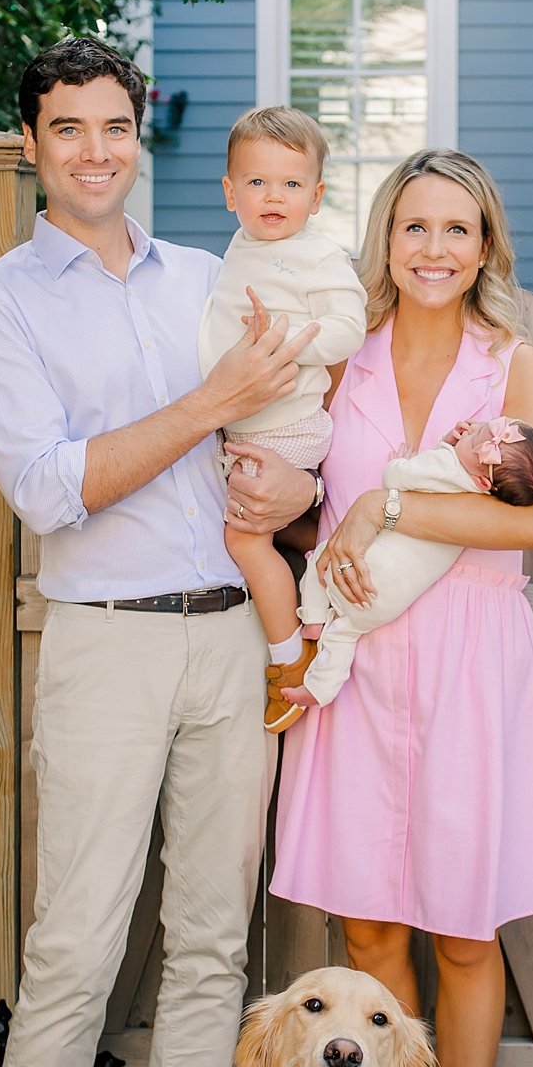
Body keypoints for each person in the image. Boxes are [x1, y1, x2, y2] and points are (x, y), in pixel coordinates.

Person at [0, 36, 321, 1067]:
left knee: (216, 939)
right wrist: (211, 400)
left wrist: (292, 490)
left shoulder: (210, 280)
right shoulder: (0, 303)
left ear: (134, 136)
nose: (97, 150)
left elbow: (279, 429)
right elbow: (51, 488)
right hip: (104, 643)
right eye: (69, 130)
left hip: (233, 635)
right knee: (75, 946)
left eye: (115, 127)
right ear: (33, 144)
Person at [271, 147, 533, 1067]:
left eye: (456, 229)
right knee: (366, 925)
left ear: (484, 243)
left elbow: (532, 515)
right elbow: (301, 495)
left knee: (462, 928)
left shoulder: (513, 363)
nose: (434, 249)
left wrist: (387, 504)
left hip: (470, 665)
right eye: (414, 228)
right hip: (357, 663)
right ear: (386, 243)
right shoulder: (342, 358)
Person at [197, 106, 367, 731]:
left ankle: (288, 660)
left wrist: (284, 339)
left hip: (284, 426)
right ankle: (313, 617)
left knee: (244, 539)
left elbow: (349, 329)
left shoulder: (320, 257)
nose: (275, 196)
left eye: (292, 185)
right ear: (230, 192)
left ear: (317, 196)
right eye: (258, 182)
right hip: (242, 421)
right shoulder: (240, 247)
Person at [283, 416, 533, 720]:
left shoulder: (447, 466)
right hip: (388, 601)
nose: (467, 431)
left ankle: (312, 617)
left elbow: (397, 480)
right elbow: (449, 482)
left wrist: (402, 462)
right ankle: (320, 689)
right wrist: (457, 444)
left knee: (321, 557)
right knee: (346, 633)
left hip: (369, 570)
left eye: (474, 436)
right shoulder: (482, 500)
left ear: (483, 480)